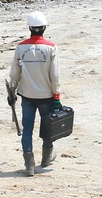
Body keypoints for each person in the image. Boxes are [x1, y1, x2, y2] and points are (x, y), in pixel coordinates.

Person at [8, 11, 62, 177]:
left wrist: (12, 91)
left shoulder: (21, 47)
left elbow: (14, 74)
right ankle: (46, 158)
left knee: (27, 130)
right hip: (46, 96)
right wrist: (57, 96)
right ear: (44, 27)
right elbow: (55, 76)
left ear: (29, 28)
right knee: (48, 128)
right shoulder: (51, 47)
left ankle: (29, 164)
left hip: (27, 96)